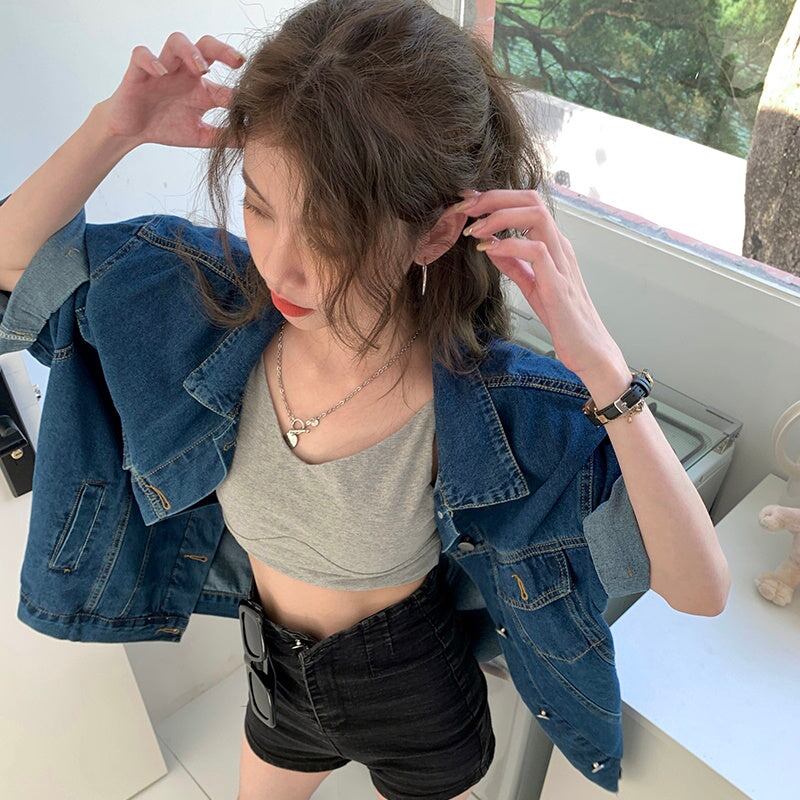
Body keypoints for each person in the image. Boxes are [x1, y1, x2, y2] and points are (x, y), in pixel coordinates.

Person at [0, 2, 730, 799]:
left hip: (417, 700)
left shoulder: (498, 411)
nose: (281, 267)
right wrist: (115, 128)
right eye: (259, 205)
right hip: (277, 679)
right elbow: (14, 273)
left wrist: (607, 373)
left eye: (330, 232)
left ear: (435, 233)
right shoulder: (202, 306)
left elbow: (699, 590)